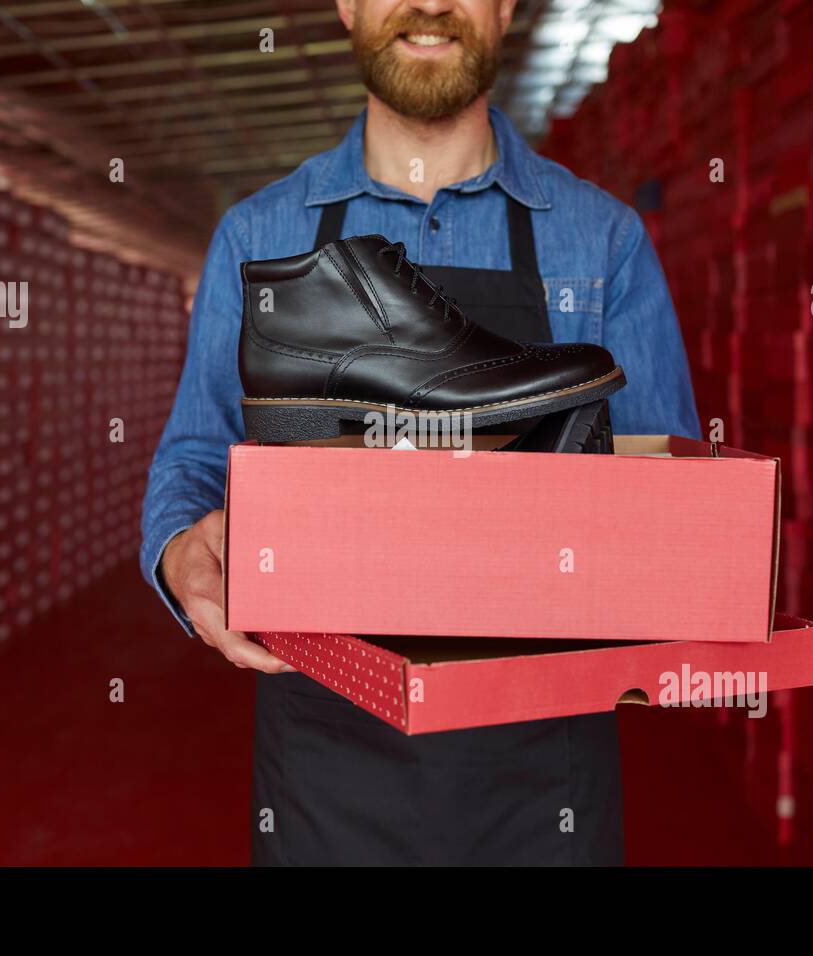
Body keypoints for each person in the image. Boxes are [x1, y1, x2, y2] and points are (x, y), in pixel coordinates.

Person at [140, 0, 700, 865]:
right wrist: (182, 549)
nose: (431, 5)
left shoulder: (603, 240)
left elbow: (669, 496)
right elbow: (195, 455)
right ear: (347, 5)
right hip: (326, 778)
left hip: (541, 790)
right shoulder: (259, 237)